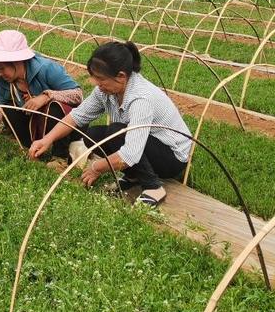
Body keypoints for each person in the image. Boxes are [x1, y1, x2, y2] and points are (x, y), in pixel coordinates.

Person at [29, 41, 192, 208]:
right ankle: (133, 177)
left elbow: (130, 154)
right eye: (94, 77)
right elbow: (77, 117)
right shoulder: (105, 91)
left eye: (100, 79)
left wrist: (97, 167)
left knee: (116, 132)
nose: (95, 83)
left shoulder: (141, 99)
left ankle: (153, 187)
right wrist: (47, 139)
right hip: (144, 144)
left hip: (171, 156)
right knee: (93, 136)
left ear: (121, 76)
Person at [0, 30, 84, 165]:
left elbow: (78, 95)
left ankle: (60, 156)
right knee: (5, 108)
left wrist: (46, 96)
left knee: (54, 106)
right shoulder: (4, 82)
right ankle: (34, 145)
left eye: (2, 68)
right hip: (36, 124)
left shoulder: (47, 68)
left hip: (67, 126)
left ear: (17, 61)